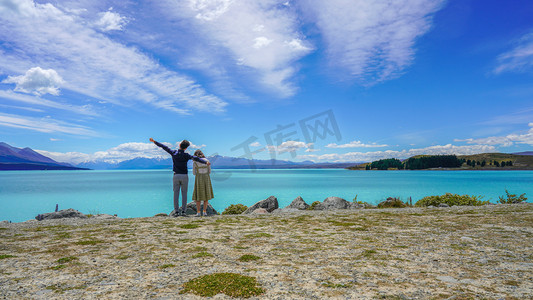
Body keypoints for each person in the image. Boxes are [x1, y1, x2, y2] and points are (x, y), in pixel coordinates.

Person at [149, 138, 210, 216]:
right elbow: (196, 158)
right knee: (184, 194)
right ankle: (184, 212)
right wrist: (205, 162)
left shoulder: (173, 153)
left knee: (176, 194)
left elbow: (164, 147)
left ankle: (176, 211)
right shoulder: (186, 155)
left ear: (179, 145)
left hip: (176, 175)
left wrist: (154, 141)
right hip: (184, 176)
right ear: (186, 148)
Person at [192, 150, 214, 216]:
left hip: (199, 178)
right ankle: (204, 212)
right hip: (206, 178)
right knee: (206, 196)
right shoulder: (207, 161)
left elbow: (194, 173)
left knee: (198, 196)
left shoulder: (195, 162)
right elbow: (209, 171)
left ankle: (198, 212)